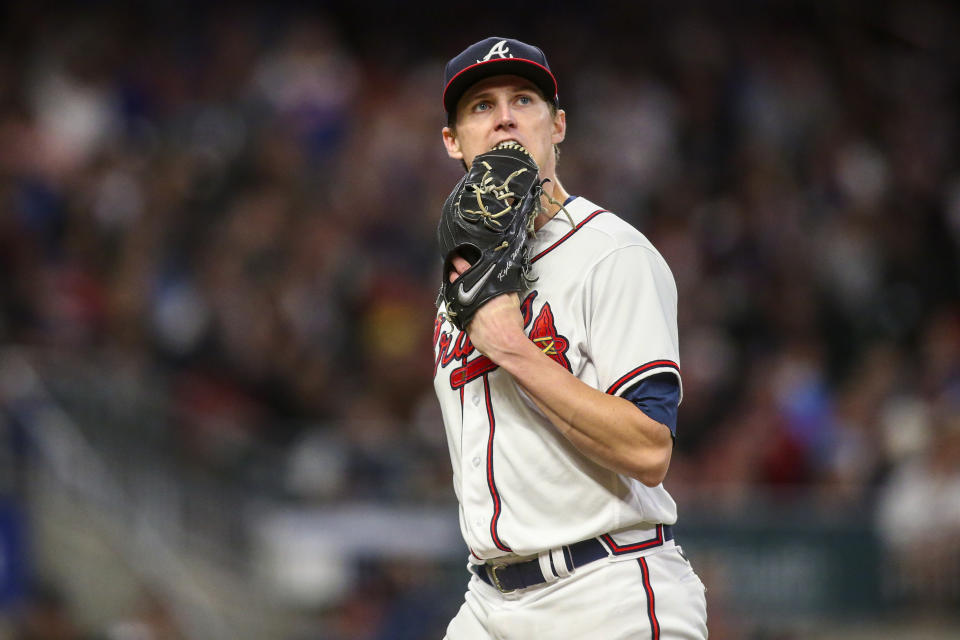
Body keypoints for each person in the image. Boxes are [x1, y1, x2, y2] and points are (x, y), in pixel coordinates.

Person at [432, 37, 708, 639]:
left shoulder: (614, 255)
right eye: (481, 106)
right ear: (453, 141)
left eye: (523, 99)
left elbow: (648, 450)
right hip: (489, 602)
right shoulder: (463, 277)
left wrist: (513, 349)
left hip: (605, 590)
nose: (504, 115)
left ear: (557, 126)